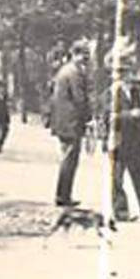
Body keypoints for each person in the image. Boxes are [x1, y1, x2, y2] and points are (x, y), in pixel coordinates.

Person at [104, 60, 140, 222]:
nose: (124, 77)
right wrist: (129, 115)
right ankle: (121, 212)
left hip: (135, 141)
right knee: (117, 179)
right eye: (120, 73)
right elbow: (108, 117)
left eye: (126, 72)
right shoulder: (111, 93)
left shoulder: (135, 92)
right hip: (118, 141)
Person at [48, 41, 92, 207]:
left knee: (68, 158)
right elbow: (79, 98)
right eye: (83, 56)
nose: (85, 60)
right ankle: (63, 196)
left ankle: (64, 194)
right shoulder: (74, 73)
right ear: (75, 54)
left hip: (63, 122)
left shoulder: (64, 71)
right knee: (70, 159)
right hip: (71, 122)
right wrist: (89, 117)